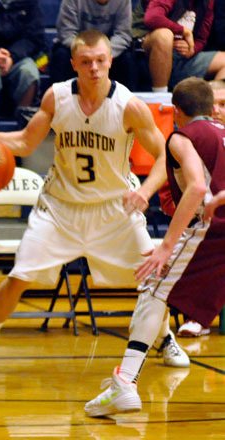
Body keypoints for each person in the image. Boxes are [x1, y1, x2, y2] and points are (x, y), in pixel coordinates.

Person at [0, 29, 188, 372]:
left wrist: (144, 191)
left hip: (114, 209)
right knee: (19, 275)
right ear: (74, 64)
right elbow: (24, 142)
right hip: (59, 208)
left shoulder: (130, 107)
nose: (94, 68)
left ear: (110, 61)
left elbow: (164, 156)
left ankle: (164, 337)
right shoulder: (57, 97)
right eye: (85, 62)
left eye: (100, 61)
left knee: (150, 279)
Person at [85, 76, 225, 417]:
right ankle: (125, 380)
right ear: (211, 107)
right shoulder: (222, 132)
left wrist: (166, 247)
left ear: (175, 111)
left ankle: (126, 383)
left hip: (211, 230)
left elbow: (194, 189)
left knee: (153, 290)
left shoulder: (181, 137)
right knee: (157, 290)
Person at [160, 79, 225, 337]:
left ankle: (190, 321)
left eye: (224, 104)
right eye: (217, 104)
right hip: (201, 219)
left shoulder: (185, 137)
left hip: (210, 224)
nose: (219, 110)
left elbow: (196, 187)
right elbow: (170, 195)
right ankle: (197, 317)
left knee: (155, 284)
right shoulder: (193, 139)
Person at [132, 0, 225, 93]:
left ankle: (213, 102)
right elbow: (152, 18)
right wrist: (183, 31)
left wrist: (192, 49)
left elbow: (201, 39)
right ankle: (160, 96)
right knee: (164, 36)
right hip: (148, 54)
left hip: (181, 58)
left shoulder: (208, 2)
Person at [49, 0, 137, 90]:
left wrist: (102, 53)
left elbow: (123, 34)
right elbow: (66, 33)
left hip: (109, 50)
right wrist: (86, 52)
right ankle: (57, 98)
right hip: (78, 49)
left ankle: (127, 101)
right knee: (60, 55)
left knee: (127, 59)